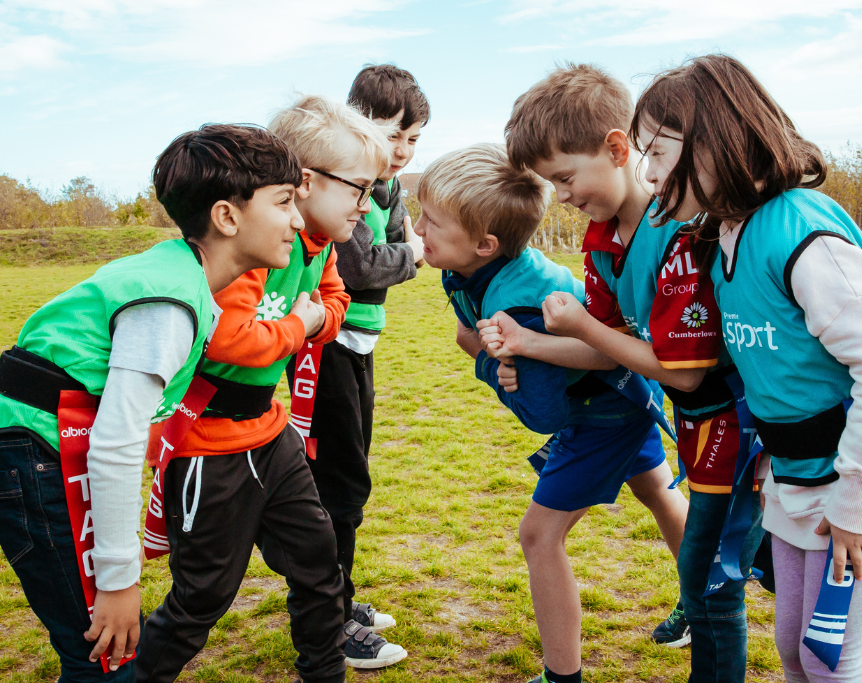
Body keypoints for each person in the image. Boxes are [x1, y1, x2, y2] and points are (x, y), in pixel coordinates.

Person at [630, 54, 862, 682]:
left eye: (658, 152)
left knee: (832, 657)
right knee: (793, 646)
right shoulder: (726, 233)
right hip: (797, 474)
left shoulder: (801, 229)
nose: (648, 174)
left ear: (717, 141)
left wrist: (859, 501)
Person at [485, 63, 761, 683]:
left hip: (730, 423)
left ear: (616, 149)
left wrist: (580, 327)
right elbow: (610, 352)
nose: (562, 195)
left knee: (721, 576)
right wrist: (529, 341)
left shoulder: (679, 234)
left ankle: (860, 654)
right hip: (694, 425)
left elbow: (682, 372)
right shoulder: (603, 238)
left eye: (564, 177)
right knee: (721, 565)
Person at [0, 123, 306, 682]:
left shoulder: (177, 275)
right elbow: (115, 442)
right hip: (35, 454)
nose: (299, 221)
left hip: (31, 447)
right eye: (285, 202)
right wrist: (118, 580)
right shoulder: (169, 303)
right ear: (227, 217)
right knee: (106, 654)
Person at [135, 96, 405, 681]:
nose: (366, 205)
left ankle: (324, 671)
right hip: (209, 442)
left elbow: (338, 303)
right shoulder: (254, 253)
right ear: (305, 184)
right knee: (200, 600)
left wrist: (302, 323)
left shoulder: (317, 245)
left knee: (318, 561)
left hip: (270, 432)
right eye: (359, 189)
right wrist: (300, 325)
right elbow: (231, 341)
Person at [414, 143, 688, 683]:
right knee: (657, 491)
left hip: (603, 411)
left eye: (431, 220)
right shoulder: (468, 270)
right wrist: (484, 349)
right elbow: (472, 330)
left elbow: (539, 412)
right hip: (621, 394)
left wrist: (485, 363)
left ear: (484, 244)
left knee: (539, 536)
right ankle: (703, 604)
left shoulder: (518, 308)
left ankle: (563, 675)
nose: (416, 226)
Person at [287, 64, 428, 635]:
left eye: (412, 139)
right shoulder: (344, 195)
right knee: (338, 482)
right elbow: (365, 264)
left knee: (350, 477)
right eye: (391, 134)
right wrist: (412, 257)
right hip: (328, 348)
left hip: (357, 342)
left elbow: (378, 260)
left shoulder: (386, 191)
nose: (399, 152)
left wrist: (400, 253)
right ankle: (330, 617)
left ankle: (339, 598)